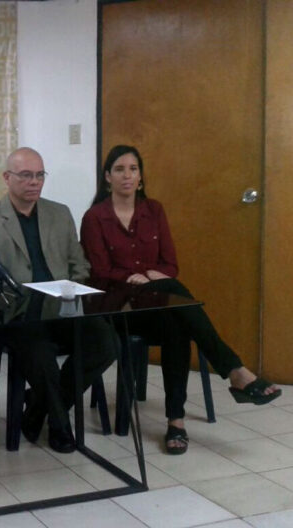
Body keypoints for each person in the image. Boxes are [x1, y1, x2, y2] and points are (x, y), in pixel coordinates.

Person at [80, 144, 281, 454]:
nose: (127, 175)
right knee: (178, 302)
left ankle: (176, 422)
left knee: (178, 324)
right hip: (121, 308)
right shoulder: (95, 217)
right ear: (107, 177)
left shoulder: (154, 210)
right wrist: (138, 277)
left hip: (158, 303)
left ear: (141, 177)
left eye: (133, 169)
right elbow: (100, 272)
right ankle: (233, 370)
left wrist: (153, 277)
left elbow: (170, 264)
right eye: (119, 169)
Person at [0, 147, 117, 453]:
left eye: (39, 175)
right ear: (7, 177)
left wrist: (73, 290)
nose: (34, 182)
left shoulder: (59, 213)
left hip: (62, 307)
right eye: (26, 175)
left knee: (105, 342)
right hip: (18, 315)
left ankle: (37, 409)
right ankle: (60, 427)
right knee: (40, 354)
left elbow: (80, 265)